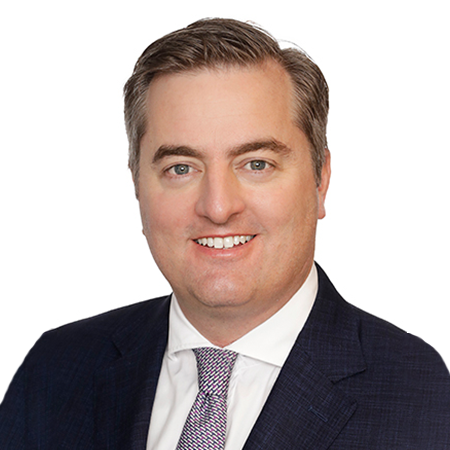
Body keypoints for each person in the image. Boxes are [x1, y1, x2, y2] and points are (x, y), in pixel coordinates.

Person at [0, 18, 449, 450]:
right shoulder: (54, 371)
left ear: (320, 180)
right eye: (181, 168)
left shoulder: (425, 397)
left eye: (256, 164)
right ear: (137, 185)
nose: (217, 208)